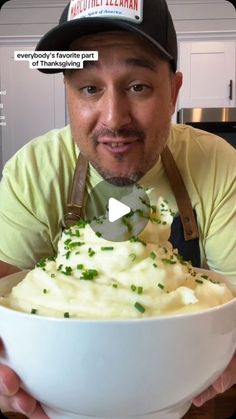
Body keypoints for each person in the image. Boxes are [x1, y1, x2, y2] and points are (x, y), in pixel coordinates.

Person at [0, 0, 235, 418]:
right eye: (89, 88)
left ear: (174, 91)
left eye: (138, 86)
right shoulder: (33, 169)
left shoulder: (219, 164)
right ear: (68, 94)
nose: (114, 118)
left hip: (190, 391)